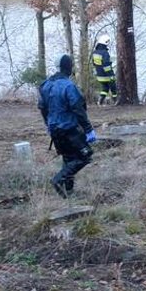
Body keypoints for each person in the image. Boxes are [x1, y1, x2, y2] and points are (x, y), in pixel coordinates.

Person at [39, 54, 95, 198]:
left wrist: (48, 125)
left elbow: (42, 108)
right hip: (68, 129)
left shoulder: (45, 85)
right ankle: (58, 180)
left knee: (68, 159)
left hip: (54, 131)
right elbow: (78, 109)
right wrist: (88, 130)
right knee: (85, 156)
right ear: (68, 67)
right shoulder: (68, 86)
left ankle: (68, 194)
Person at [91, 34, 118, 105]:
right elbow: (106, 66)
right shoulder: (105, 53)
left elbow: (94, 63)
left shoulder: (95, 53)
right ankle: (116, 101)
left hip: (99, 75)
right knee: (113, 87)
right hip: (106, 75)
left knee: (105, 88)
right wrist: (111, 75)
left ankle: (99, 102)